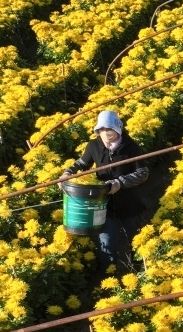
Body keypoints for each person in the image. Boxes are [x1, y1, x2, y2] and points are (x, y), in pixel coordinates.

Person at [61, 110, 149, 270]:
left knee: (136, 239)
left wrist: (119, 183)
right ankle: (109, 275)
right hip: (102, 203)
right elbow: (81, 164)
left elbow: (142, 173)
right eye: (102, 133)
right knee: (106, 241)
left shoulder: (131, 147)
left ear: (117, 130)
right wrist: (67, 174)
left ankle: (139, 271)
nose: (107, 141)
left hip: (129, 203)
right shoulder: (93, 145)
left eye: (110, 135)